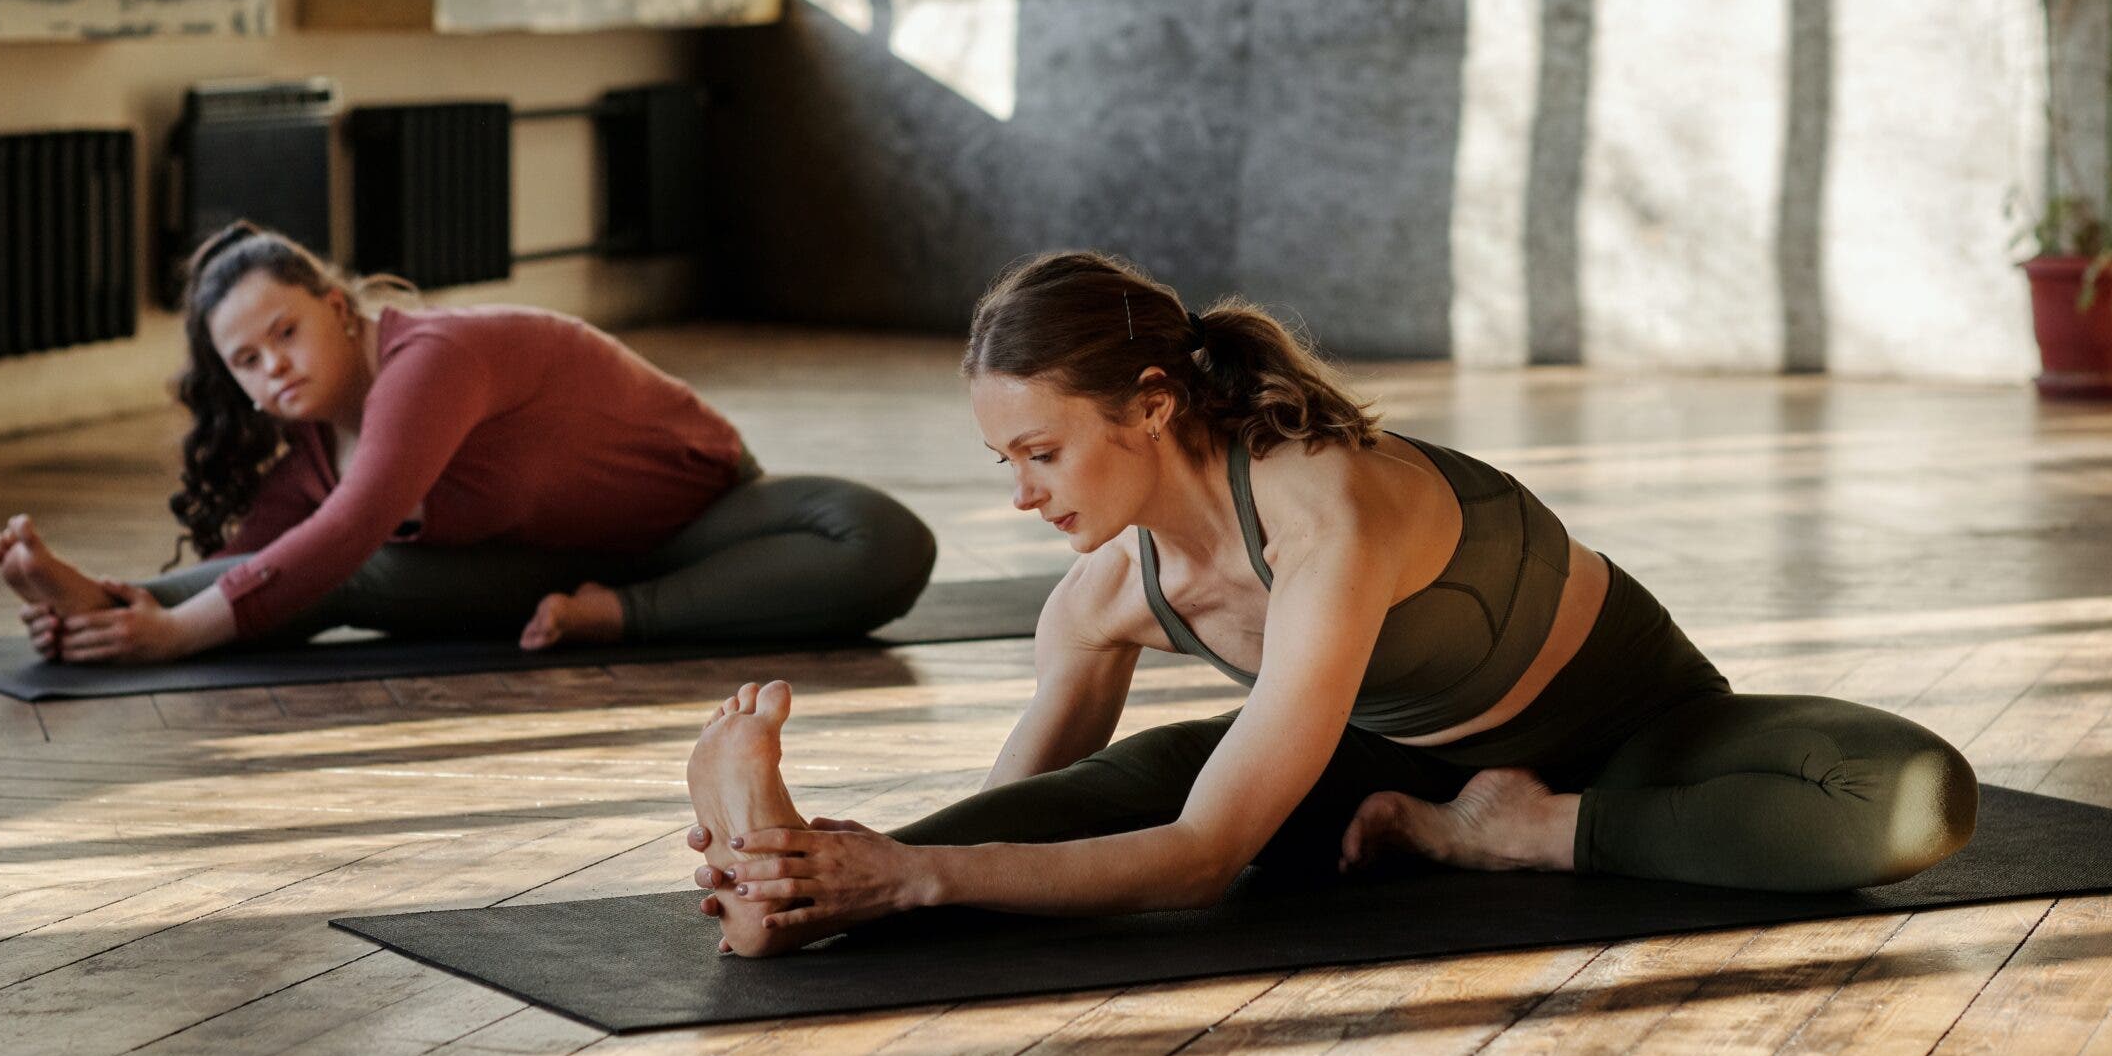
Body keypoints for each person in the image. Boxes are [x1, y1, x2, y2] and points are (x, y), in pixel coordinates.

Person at [678, 250, 1978, 956]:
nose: (1021, 494)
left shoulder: (1326, 510)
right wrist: (870, 869)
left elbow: (1198, 868)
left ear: (1150, 404)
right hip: (1368, 778)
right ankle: (777, 884)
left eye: (1041, 452)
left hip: (1644, 739)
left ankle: (1516, 834)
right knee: (1088, 807)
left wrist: (915, 878)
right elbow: (1033, 809)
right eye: (1000, 460)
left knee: (1904, 796)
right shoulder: (1098, 604)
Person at [0, 221, 936, 663]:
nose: (273, 365)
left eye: (286, 332)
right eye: (246, 359)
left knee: (883, 538)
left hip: (706, 524)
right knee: (321, 573)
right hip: (535, 575)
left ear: (336, 307)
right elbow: (264, 565)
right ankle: (95, 615)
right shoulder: (314, 443)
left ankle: (622, 614)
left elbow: (356, 523)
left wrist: (171, 637)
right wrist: (121, 611)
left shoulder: (430, 358)